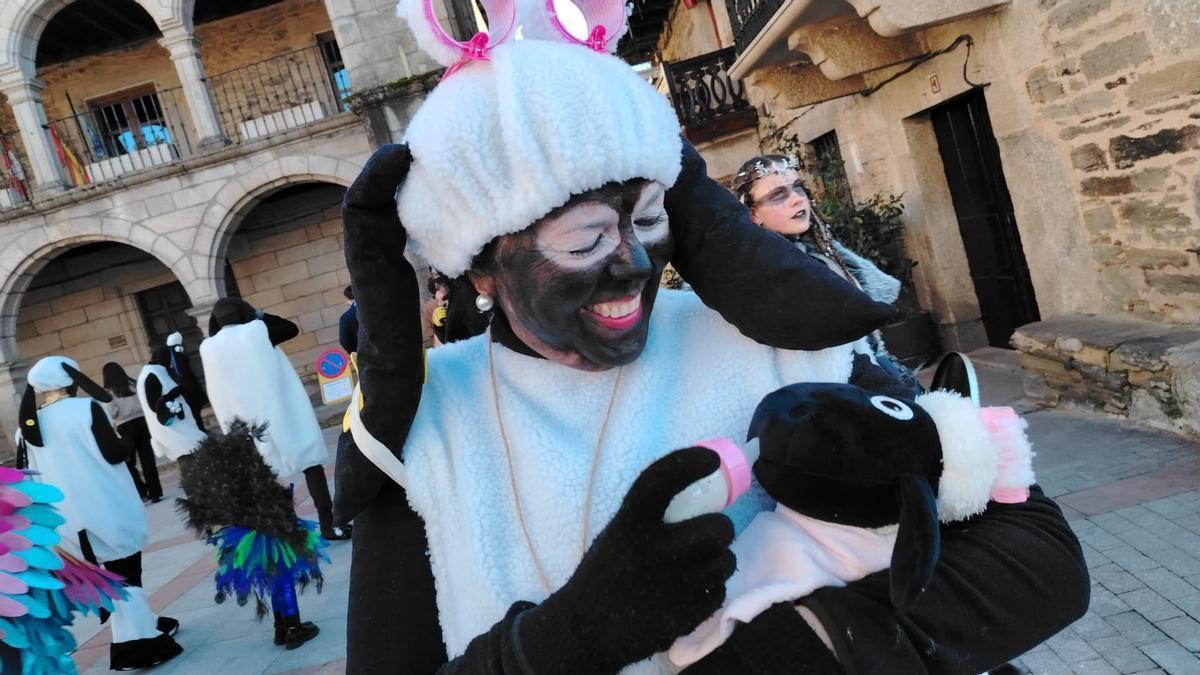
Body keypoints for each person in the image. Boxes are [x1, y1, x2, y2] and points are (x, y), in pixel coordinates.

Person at [333, 3, 1089, 672]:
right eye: (585, 236)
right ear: (484, 270)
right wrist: (564, 639)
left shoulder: (773, 344)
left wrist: (787, 652)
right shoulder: (429, 429)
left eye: (650, 217)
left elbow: (1036, 557)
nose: (631, 263)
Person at [16, 356, 182, 671]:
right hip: (104, 508)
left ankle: (149, 624)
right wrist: (128, 441)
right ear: (69, 380)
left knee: (113, 579)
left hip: (65, 522)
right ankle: (133, 649)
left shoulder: (26, 426)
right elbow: (114, 453)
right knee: (126, 575)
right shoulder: (85, 409)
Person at [732, 155, 918, 389]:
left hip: (875, 377)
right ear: (752, 215)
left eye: (798, 188)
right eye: (778, 195)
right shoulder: (754, 275)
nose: (797, 200)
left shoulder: (822, 253)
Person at [200, 298, 350, 541]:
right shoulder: (257, 332)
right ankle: (329, 524)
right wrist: (258, 312)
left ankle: (286, 529)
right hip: (281, 409)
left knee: (265, 475)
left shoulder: (208, 348)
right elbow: (290, 328)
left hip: (245, 421)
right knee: (310, 462)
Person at [176, 421, 327, 650]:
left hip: (247, 541)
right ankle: (294, 629)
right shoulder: (259, 482)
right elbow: (279, 506)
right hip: (273, 538)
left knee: (273, 580)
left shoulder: (230, 488)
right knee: (283, 582)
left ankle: (280, 628)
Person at [138, 342, 208, 467]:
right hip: (176, 433)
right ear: (161, 357)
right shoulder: (150, 375)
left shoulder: (157, 372)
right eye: (168, 358)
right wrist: (177, 391)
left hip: (182, 431)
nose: (170, 361)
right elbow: (154, 406)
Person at [102, 362, 162, 503]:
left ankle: (141, 491)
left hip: (124, 427)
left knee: (129, 463)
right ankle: (155, 493)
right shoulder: (134, 384)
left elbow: (111, 413)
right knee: (148, 460)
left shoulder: (109, 392)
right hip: (142, 422)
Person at [163, 331, 209, 432]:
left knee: (196, 416)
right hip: (189, 392)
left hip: (186, 392)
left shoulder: (174, 358)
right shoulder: (178, 358)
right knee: (196, 416)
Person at [339, 286, 358, 355]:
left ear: (348, 299)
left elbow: (344, 342)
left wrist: (356, 353)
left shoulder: (345, 318)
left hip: (366, 355)